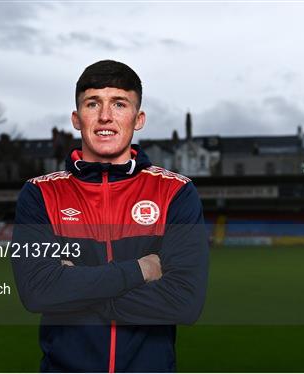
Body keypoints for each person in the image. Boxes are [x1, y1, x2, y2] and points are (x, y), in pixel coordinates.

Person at [11, 60, 209, 372]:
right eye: (93, 104)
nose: (106, 116)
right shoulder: (40, 194)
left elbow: (184, 302)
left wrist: (74, 292)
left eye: (119, 103)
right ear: (77, 119)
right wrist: (140, 270)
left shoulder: (176, 192)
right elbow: (38, 293)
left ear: (138, 118)